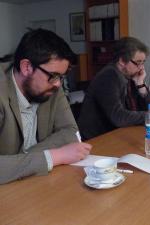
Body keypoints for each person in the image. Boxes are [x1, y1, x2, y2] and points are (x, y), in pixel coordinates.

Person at [0, 29, 92, 184]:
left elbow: (70, 131)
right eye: (54, 76)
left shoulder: (51, 85)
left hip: (34, 183)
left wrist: (19, 163)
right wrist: (55, 156)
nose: (58, 84)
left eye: (61, 77)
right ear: (26, 67)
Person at [78, 37, 150, 140]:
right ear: (122, 61)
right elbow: (118, 117)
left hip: (118, 133)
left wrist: (140, 85)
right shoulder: (108, 77)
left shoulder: (130, 76)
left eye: (143, 62)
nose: (141, 68)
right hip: (98, 140)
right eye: (138, 62)